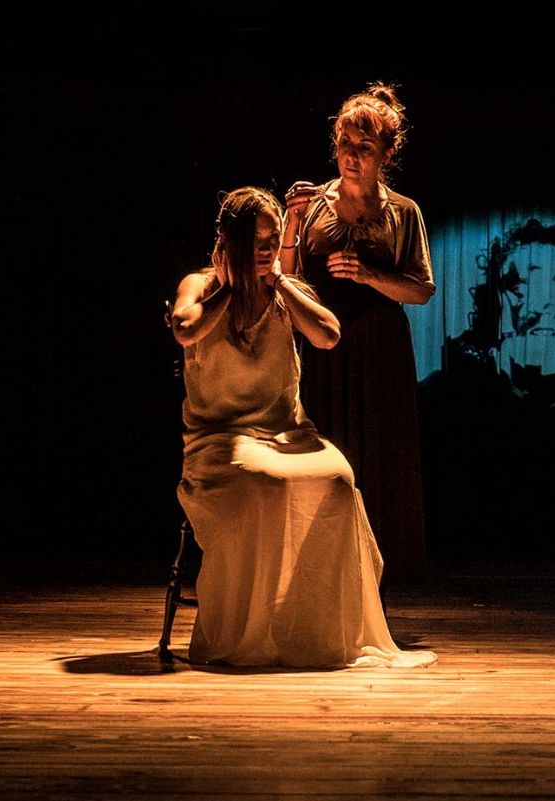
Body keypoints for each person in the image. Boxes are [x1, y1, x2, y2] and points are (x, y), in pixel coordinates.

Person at [171, 186, 434, 669]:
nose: (267, 249)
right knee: (264, 484)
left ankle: (317, 629)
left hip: (288, 435)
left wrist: (281, 283)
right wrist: (232, 286)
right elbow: (185, 329)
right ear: (230, 243)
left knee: (337, 481)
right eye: (256, 242)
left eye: (273, 240)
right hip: (220, 440)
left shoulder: (283, 290)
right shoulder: (203, 285)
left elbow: (328, 335)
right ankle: (253, 630)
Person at [282, 83, 434, 584]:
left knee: (377, 455)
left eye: (364, 147)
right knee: (323, 448)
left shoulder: (403, 212)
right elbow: (286, 277)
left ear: (386, 153)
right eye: (345, 144)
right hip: (324, 346)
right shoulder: (313, 203)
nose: (351, 156)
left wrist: (369, 275)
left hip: (380, 351)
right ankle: (317, 569)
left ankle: (375, 572)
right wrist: (291, 223)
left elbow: (421, 290)